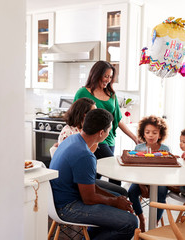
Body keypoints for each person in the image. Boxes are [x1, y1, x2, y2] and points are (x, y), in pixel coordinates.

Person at [50, 108, 138, 239]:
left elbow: (89, 186)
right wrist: (114, 202)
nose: (109, 133)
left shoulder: (73, 139)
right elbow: (89, 198)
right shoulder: (85, 155)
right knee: (131, 222)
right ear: (101, 133)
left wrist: (116, 199)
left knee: (119, 196)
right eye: (109, 130)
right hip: (67, 207)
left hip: (59, 199)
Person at [74, 60, 139, 186]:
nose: (108, 80)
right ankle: (117, 199)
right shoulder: (82, 93)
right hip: (95, 139)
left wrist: (135, 138)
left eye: (110, 77)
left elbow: (118, 119)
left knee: (96, 172)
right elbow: (76, 117)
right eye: (106, 76)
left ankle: (93, 198)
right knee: (115, 170)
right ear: (96, 74)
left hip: (109, 139)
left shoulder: (111, 94)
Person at [57, 97, 128, 197]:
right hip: (73, 186)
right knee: (117, 195)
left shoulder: (86, 134)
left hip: (80, 178)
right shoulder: (72, 135)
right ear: (85, 115)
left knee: (121, 192)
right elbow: (88, 196)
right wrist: (113, 200)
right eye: (93, 111)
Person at [127, 115, 170, 232]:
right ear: (143, 134)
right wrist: (142, 185)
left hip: (159, 180)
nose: (151, 135)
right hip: (142, 179)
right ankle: (141, 218)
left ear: (160, 135)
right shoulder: (138, 147)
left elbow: (166, 170)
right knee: (131, 192)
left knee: (161, 193)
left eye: (154, 132)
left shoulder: (165, 149)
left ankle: (154, 222)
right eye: (148, 132)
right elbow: (137, 169)